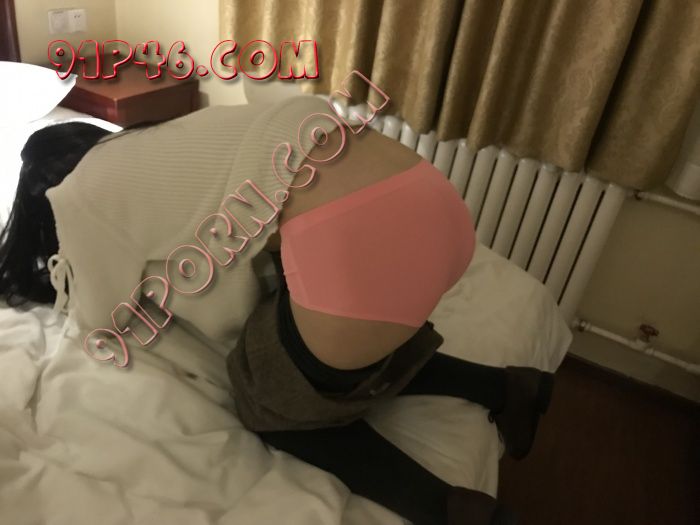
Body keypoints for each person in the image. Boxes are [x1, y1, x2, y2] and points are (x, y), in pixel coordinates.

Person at [0, 97, 554, 525]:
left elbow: (101, 315)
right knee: (338, 330)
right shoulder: (169, 139)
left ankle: (455, 511)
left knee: (269, 401)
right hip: (438, 205)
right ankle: (509, 387)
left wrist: (68, 271)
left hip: (357, 245)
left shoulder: (75, 195)